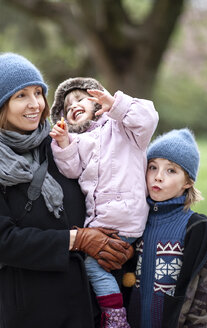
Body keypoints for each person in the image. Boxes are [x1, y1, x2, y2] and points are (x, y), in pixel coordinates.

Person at [0, 53, 134, 328]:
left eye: (39, 92)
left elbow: (103, 195)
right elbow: (1, 242)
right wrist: (78, 239)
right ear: (1, 105)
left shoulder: (62, 145)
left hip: (87, 308)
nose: (35, 104)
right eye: (21, 96)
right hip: (31, 311)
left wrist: (121, 245)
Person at [49, 77, 159, 327]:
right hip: (100, 221)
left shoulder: (121, 127)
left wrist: (117, 104)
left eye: (79, 98)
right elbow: (71, 171)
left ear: (97, 99)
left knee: (94, 267)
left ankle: (115, 316)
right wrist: (64, 143)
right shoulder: (79, 141)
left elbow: (148, 119)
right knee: (100, 266)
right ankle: (117, 310)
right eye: (67, 107)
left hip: (124, 215)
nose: (73, 105)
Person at [125, 128, 207, 328]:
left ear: (188, 182)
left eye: (171, 170)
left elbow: (204, 302)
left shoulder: (199, 231)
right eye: (152, 167)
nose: (158, 177)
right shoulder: (133, 224)